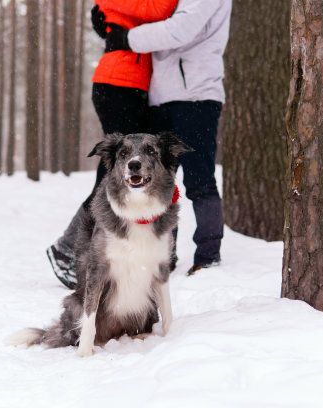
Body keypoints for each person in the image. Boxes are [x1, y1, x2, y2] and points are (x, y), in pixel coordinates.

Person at [46, 0, 178, 289]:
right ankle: (68, 250)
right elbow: (160, 10)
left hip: (132, 85)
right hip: (117, 84)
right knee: (111, 178)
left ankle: (76, 249)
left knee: (118, 176)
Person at [103, 0, 232, 275]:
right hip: (162, 97)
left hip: (196, 96)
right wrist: (105, 16)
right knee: (160, 181)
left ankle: (208, 257)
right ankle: (165, 255)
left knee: (200, 180)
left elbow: (180, 30)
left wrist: (127, 38)